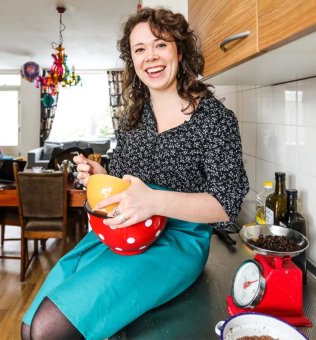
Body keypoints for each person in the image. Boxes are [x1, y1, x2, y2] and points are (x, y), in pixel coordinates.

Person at [21, 7, 249, 340]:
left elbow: (226, 204)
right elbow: (122, 175)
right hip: (123, 233)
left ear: (180, 50)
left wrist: (154, 201)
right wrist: (99, 173)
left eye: (160, 44)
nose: (150, 57)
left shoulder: (215, 119)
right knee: (30, 327)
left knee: (46, 330)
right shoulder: (134, 118)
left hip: (176, 242)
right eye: (139, 49)